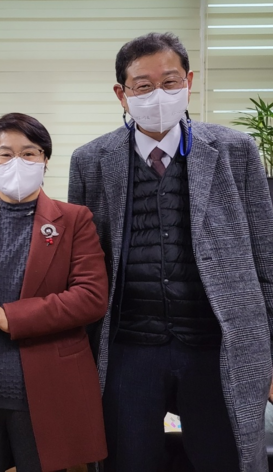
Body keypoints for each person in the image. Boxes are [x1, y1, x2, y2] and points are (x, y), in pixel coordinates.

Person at [68, 32, 273, 471]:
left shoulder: (235, 151)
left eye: (170, 81)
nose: (158, 94)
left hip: (218, 345)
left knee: (226, 459)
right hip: (129, 348)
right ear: (122, 94)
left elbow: (267, 259)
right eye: (143, 86)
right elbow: (84, 267)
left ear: (189, 82)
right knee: (127, 460)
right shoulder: (91, 161)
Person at [0, 113, 109, 472]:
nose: (17, 162)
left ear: (45, 159)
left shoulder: (75, 219)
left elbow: (91, 297)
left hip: (47, 389)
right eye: (4, 154)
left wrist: (10, 315)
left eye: (29, 153)